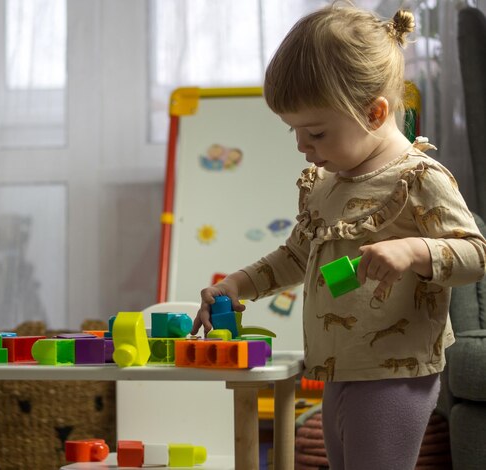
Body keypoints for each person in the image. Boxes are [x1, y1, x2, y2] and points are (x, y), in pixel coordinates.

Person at [190, 3, 486, 469]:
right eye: (295, 131)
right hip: (336, 366)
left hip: (396, 372)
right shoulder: (326, 186)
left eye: (316, 132)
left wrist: (413, 250)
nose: (301, 147)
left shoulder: (419, 178)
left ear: (374, 112)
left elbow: (475, 254)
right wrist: (236, 284)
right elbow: (295, 256)